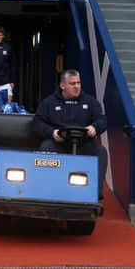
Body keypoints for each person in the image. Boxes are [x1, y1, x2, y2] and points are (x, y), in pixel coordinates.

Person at [33, 69, 108, 199]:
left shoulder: (90, 102)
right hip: (59, 144)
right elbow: (37, 123)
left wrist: (94, 127)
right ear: (62, 85)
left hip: (83, 145)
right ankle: (46, 188)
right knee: (46, 147)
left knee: (101, 151)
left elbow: (102, 120)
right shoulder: (49, 103)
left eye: (78, 83)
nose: (77, 86)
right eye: (72, 84)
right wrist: (52, 133)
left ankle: (95, 191)